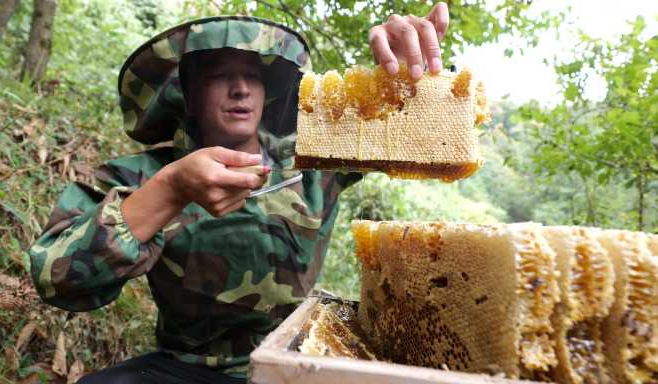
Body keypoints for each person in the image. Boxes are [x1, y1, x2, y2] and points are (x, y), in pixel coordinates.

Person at [28, 4, 449, 384]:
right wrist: (172, 188)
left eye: (252, 76)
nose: (241, 89)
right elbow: (56, 278)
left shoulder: (314, 158)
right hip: (185, 368)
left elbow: (411, 134)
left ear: (268, 93)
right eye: (219, 76)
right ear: (189, 95)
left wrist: (400, 70)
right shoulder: (143, 174)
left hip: (299, 359)